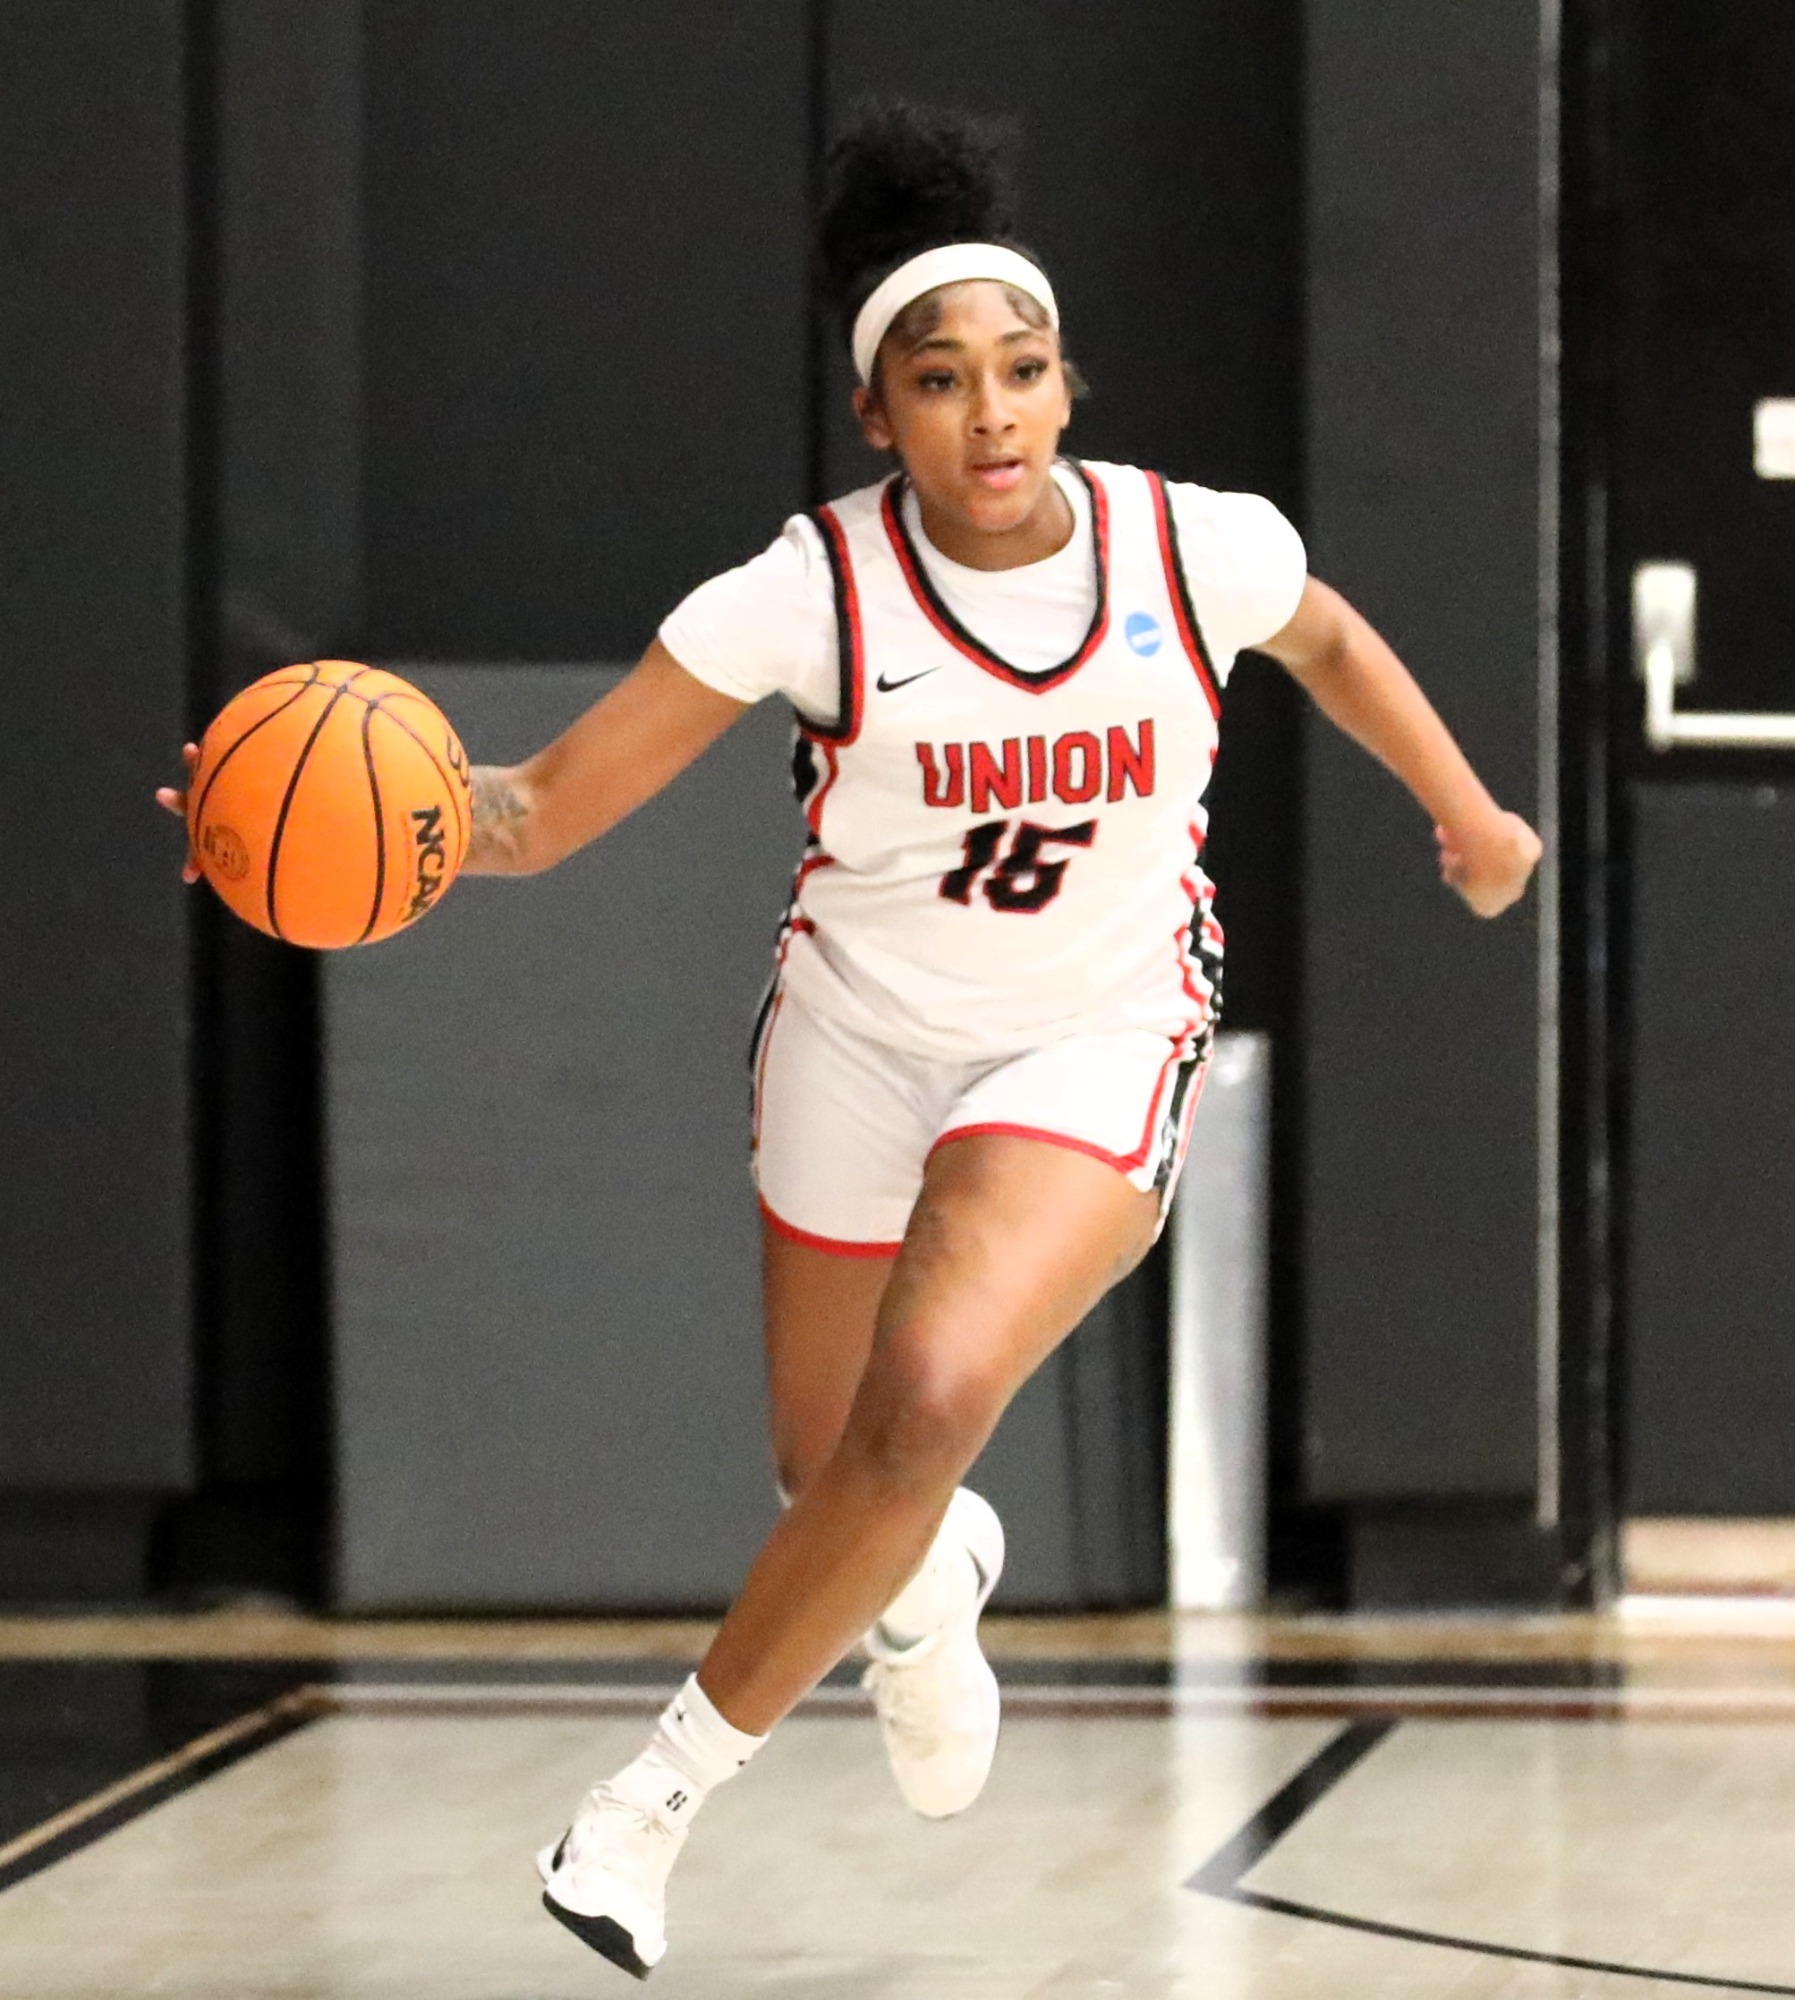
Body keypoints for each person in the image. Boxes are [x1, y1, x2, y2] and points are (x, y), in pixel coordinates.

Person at [161, 102, 1541, 1982]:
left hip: (1094, 1037)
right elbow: (542, 809)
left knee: (928, 1402)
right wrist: (303, 827)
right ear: (878, 415)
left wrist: (1467, 810)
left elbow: (1334, 643)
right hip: (857, 1042)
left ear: (1066, 384)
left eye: (1024, 371)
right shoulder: (807, 588)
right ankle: (926, 1591)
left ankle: (648, 1807)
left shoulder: (1190, 548)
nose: (992, 413)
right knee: (845, 1488)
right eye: (942, 380)